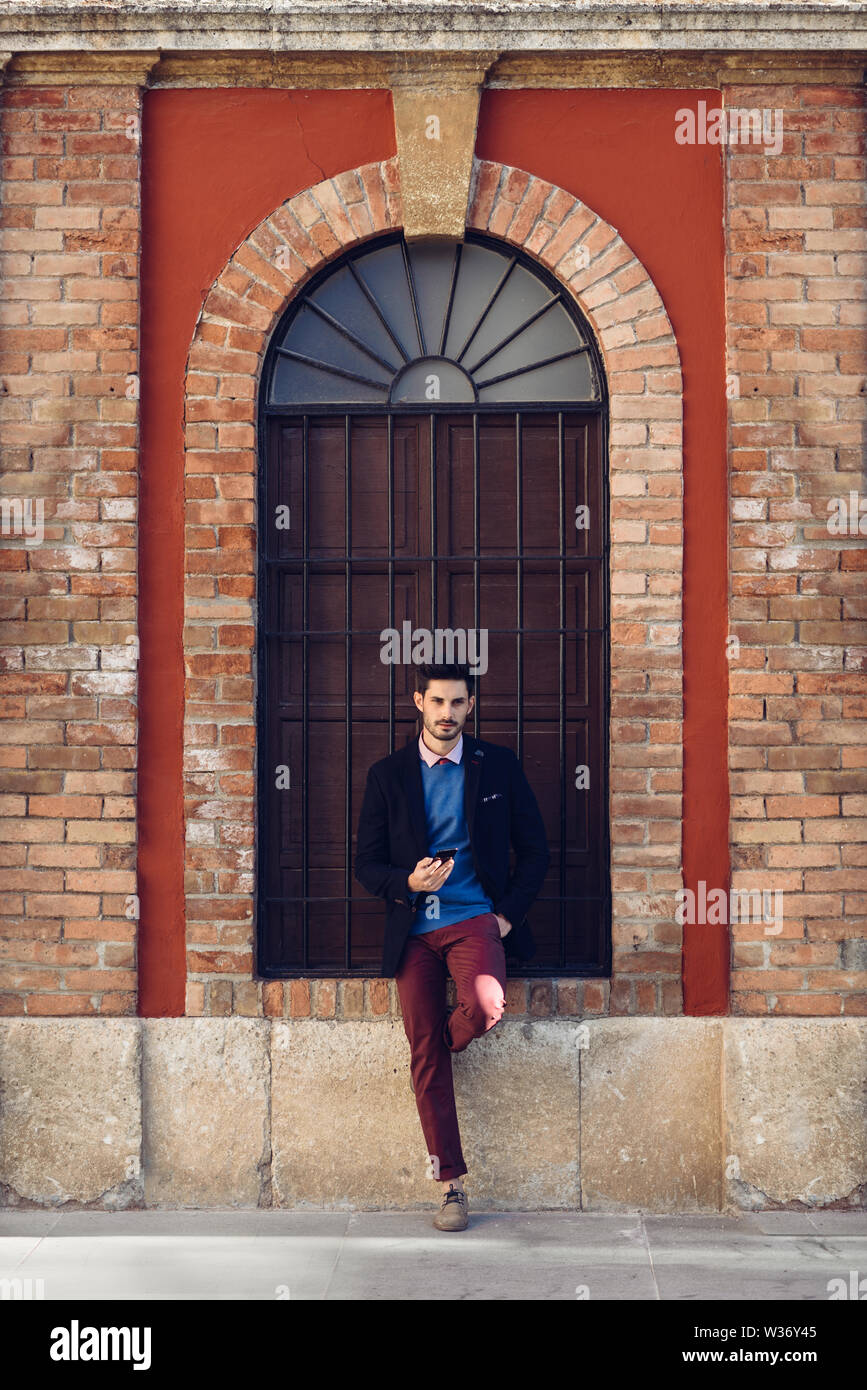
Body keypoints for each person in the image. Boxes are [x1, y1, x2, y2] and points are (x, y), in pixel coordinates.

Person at [354, 662, 549, 1231]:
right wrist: (406, 883)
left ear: (470, 706)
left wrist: (506, 916)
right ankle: (451, 1186)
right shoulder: (387, 774)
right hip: (413, 930)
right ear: (418, 701)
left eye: (457, 703)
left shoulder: (499, 766)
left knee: (484, 1008)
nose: (446, 714)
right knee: (426, 1055)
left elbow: (535, 852)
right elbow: (364, 864)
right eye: (436, 702)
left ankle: (435, 1046)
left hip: (474, 921)